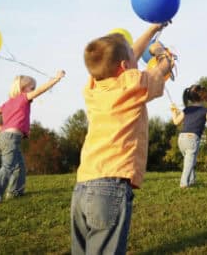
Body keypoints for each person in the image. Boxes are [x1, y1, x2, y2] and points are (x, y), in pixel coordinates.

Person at [71, 23, 173, 254]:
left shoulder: (93, 87)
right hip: (110, 187)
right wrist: (165, 56)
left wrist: (152, 29)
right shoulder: (133, 85)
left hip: (83, 186)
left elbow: (127, 58)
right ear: (126, 66)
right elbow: (159, 72)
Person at [0, 70, 65, 206]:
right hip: (10, 137)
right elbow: (41, 90)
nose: (33, 90)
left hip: (5, 137)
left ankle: (16, 192)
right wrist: (56, 79)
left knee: (19, 166)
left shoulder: (8, 103)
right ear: (23, 88)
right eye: (31, 88)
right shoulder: (23, 98)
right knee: (8, 166)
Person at [170, 84, 207, 188]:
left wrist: (173, 112)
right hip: (192, 139)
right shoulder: (205, 111)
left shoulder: (187, 110)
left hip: (181, 139)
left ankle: (192, 181)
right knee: (189, 162)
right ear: (203, 97)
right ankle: (183, 184)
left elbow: (175, 122)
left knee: (189, 160)